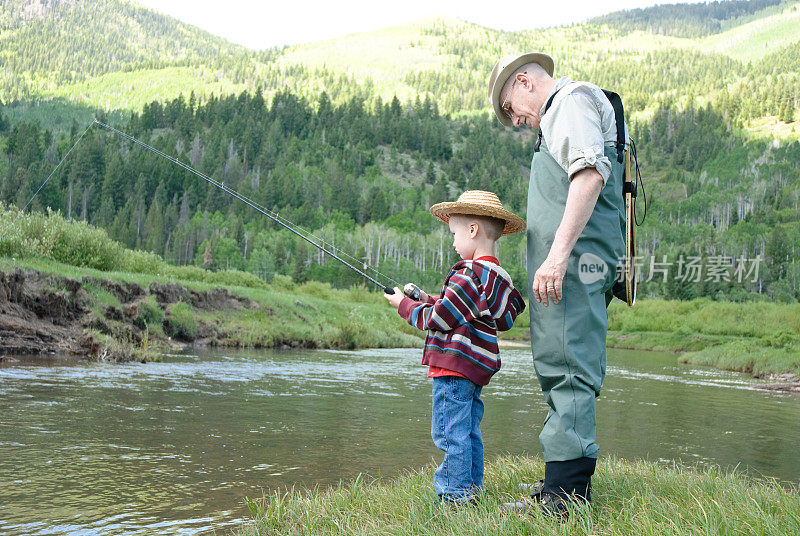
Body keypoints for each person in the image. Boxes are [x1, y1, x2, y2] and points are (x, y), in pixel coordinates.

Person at [487, 53, 626, 515]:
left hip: (572, 260)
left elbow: (589, 175)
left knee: (568, 365)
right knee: (564, 359)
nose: (515, 120)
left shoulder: (568, 102)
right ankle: (562, 481)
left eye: (510, 107)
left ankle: (565, 498)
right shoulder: (560, 112)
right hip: (570, 261)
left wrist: (557, 255)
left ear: (524, 81)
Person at [384, 190, 526, 504]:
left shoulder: (467, 275)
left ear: (473, 230)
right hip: (473, 370)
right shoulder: (493, 277)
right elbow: (464, 311)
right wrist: (427, 297)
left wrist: (404, 305)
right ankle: (472, 490)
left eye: (454, 234)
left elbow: (439, 319)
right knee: (468, 432)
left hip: (452, 368)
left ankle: (455, 496)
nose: (452, 242)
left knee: (450, 433)